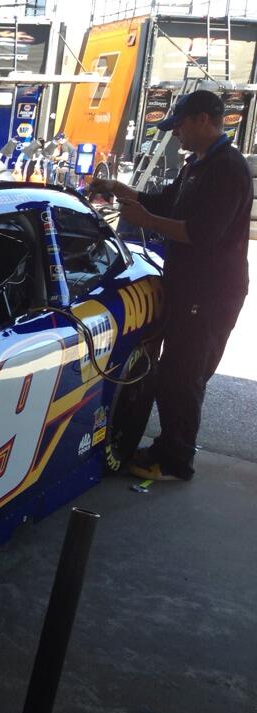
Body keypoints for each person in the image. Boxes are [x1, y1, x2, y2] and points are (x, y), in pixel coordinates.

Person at [89, 89, 251, 481]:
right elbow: (165, 202)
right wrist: (121, 192)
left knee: (184, 374)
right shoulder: (197, 163)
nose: (176, 133)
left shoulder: (228, 168)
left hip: (211, 292)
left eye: (179, 125)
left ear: (201, 120)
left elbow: (203, 233)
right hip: (189, 285)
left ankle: (177, 459)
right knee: (174, 372)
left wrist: (145, 221)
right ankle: (167, 447)